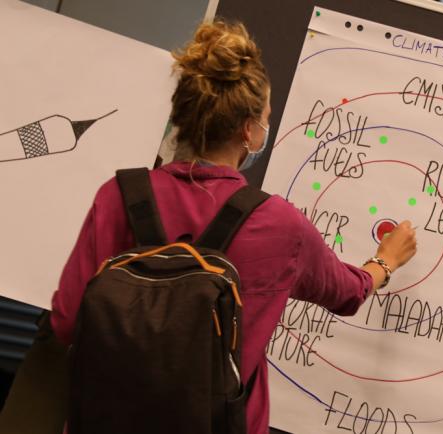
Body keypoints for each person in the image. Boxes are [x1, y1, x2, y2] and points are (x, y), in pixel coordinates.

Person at [50, 19, 417, 434]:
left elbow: (66, 323)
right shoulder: (279, 225)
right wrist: (384, 262)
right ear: (249, 132)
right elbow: (348, 292)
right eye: (265, 118)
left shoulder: (118, 196)